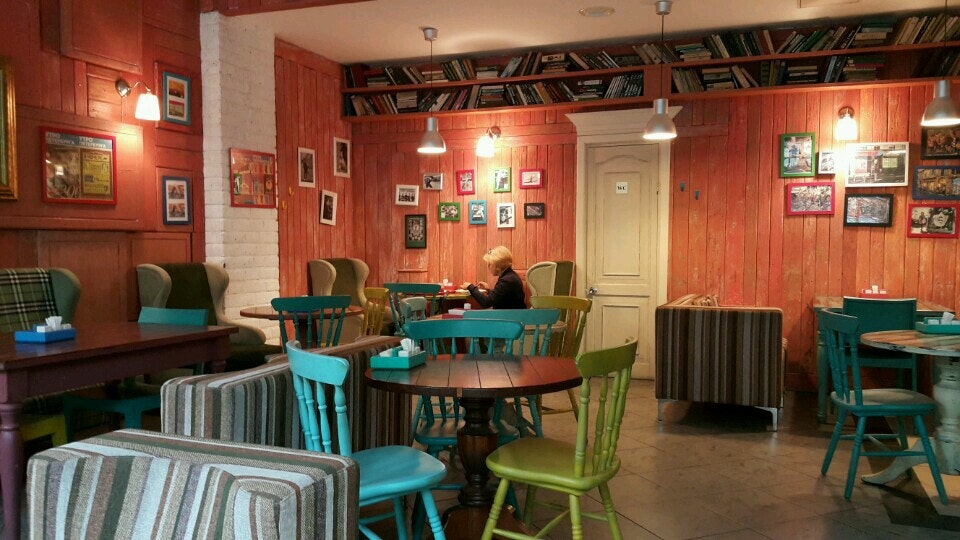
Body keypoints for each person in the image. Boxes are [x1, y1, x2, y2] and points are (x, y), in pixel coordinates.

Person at [461, 245, 526, 309]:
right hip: (512, 313)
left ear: (498, 265)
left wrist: (470, 286)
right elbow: (501, 299)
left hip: (511, 315)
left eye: (490, 264)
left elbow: (486, 302)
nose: (488, 267)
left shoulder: (507, 280)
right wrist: (489, 291)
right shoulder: (510, 276)